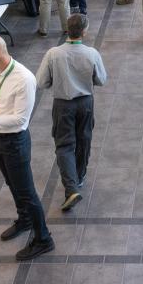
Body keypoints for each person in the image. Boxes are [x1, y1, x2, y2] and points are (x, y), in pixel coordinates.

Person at [0, 35, 54, 261]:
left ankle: (43, 238)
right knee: (11, 182)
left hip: (14, 142)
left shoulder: (24, 79)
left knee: (27, 192)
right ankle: (25, 219)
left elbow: (20, 120)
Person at [36, 14, 107, 212]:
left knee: (64, 145)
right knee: (84, 140)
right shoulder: (91, 53)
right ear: (85, 31)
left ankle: (71, 187)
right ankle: (79, 176)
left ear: (67, 29)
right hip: (85, 103)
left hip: (62, 105)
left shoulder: (53, 54)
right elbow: (101, 79)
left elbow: (41, 82)